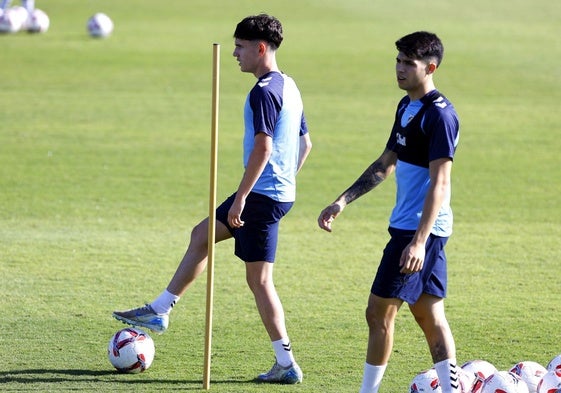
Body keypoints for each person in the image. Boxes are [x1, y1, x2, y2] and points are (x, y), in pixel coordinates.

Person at [113, 14, 312, 385]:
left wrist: (243, 198)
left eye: (240, 47)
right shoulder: (290, 85)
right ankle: (160, 309)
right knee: (201, 235)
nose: (235, 54)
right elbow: (306, 143)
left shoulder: (264, 91)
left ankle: (286, 363)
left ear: (260, 48)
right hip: (274, 194)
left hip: (261, 196)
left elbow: (264, 146)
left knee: (260, 281)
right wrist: (286, 182)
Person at [318, 31, 460, 393]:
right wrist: (343, 200)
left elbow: (440, 184)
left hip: (417, 232)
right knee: (429, 314)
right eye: (397, 60)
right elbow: (385, 164)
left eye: (407, 63)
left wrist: (418, 242)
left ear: (430, 67)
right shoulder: (405, 107)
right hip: (415, 229)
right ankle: (451, 388)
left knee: (378, 312)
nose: (398, 69)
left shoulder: (440, 116)